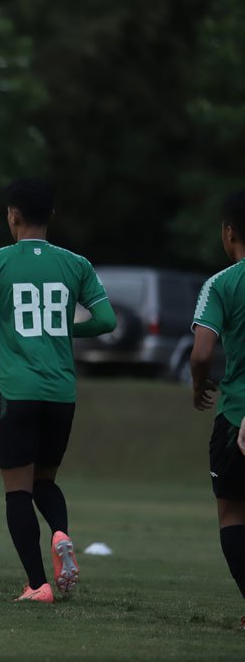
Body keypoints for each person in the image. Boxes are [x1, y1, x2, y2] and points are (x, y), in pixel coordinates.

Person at [0, 178, 116, 603]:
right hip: (60, 393)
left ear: (12, 215)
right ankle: (61, 533)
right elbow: (107, 321)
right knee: (45, 480)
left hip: (16, 391)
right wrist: (62, 329)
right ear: (52, 217)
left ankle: (37, 584)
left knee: (17, 490)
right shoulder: (76, 264)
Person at [189, 190, 245, 630]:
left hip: (236, 415)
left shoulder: (223, 284)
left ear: (229, 232)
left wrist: (197, 385)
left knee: (233, 514)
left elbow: (202, 353)